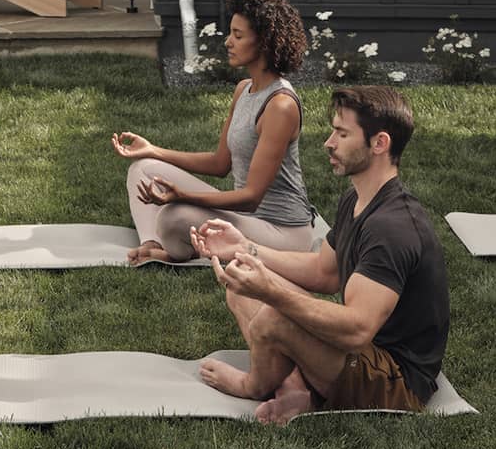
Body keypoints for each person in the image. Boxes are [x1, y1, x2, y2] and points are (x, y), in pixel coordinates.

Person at [192, 84, 450, 423]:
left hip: (395, 381)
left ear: (379, 143)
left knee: (271, 313)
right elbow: (323, 272)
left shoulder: (393, 228)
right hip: (359, 354)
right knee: (242, 292)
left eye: (342, 134)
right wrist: (246, 248)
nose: (329, 142)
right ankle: (296, 387)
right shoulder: (356, 200)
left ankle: (253, 385)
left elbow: (357, 329)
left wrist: (269, 290)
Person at [110, 0, 318, 264]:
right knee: (143, 169)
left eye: (237, 35)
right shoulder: (244, 89)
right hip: (245, 218)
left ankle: (173, 250)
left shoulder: (280, 106)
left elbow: (250, 198)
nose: (228, 42)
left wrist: (182, 196)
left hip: (281, 233)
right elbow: (220, 164)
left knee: (175, 215)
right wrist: (152, 150)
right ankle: (152, 244)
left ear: (265, 42)